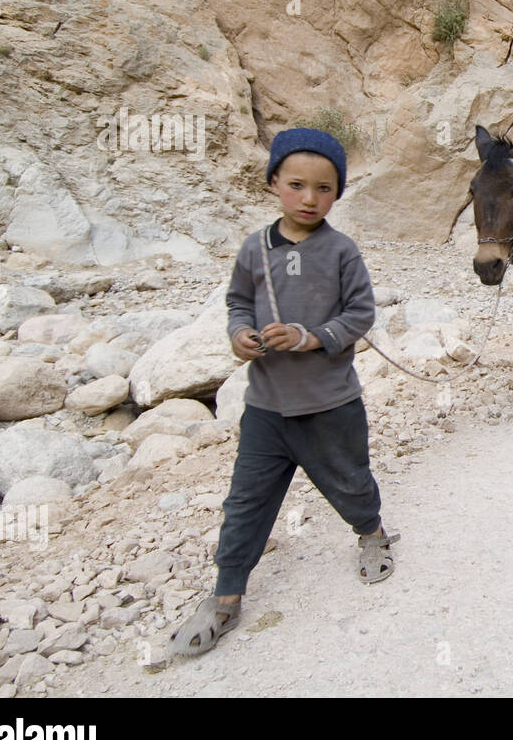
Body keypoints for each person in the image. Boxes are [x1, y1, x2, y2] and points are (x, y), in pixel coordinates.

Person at [168, 127, 397, 657]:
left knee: (350, 481)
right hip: (266, 407)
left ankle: (372, 533)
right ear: (274, 182)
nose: (310, 198)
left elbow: (361, 312)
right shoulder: (254, 249)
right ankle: (226, 597)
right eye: (297, 184)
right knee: (246, 500)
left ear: (337, 193)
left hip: (330, 404)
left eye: (324, 188)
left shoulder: (341, 251)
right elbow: (237, 304)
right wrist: (239, 336)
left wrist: (310, 336)